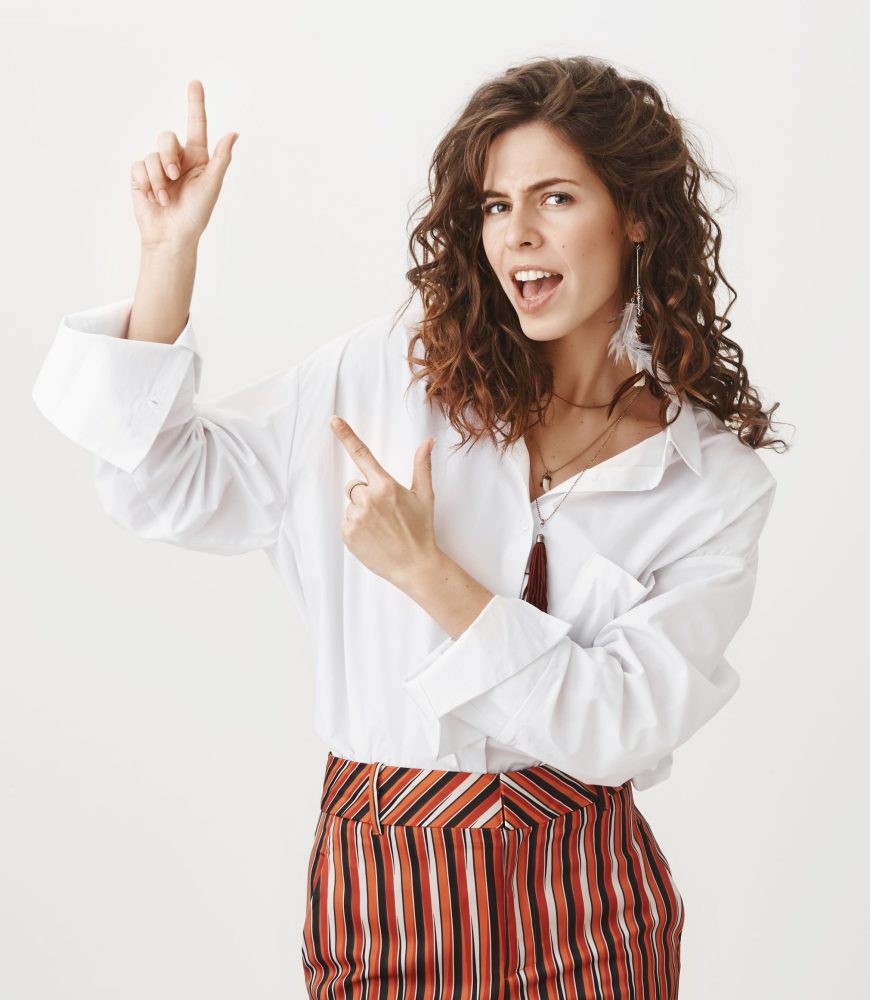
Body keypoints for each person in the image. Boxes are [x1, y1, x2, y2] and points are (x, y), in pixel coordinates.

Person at [33, 58, 787, 998]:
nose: (517, 236)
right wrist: (167, 258)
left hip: (591, 909)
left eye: (555, 197)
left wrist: (429, 573)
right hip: (384, 890)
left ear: (635, 214)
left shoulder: (711, 479)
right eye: (493, 206)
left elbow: (619, 728)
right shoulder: (387, 375)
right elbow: (165, 486)